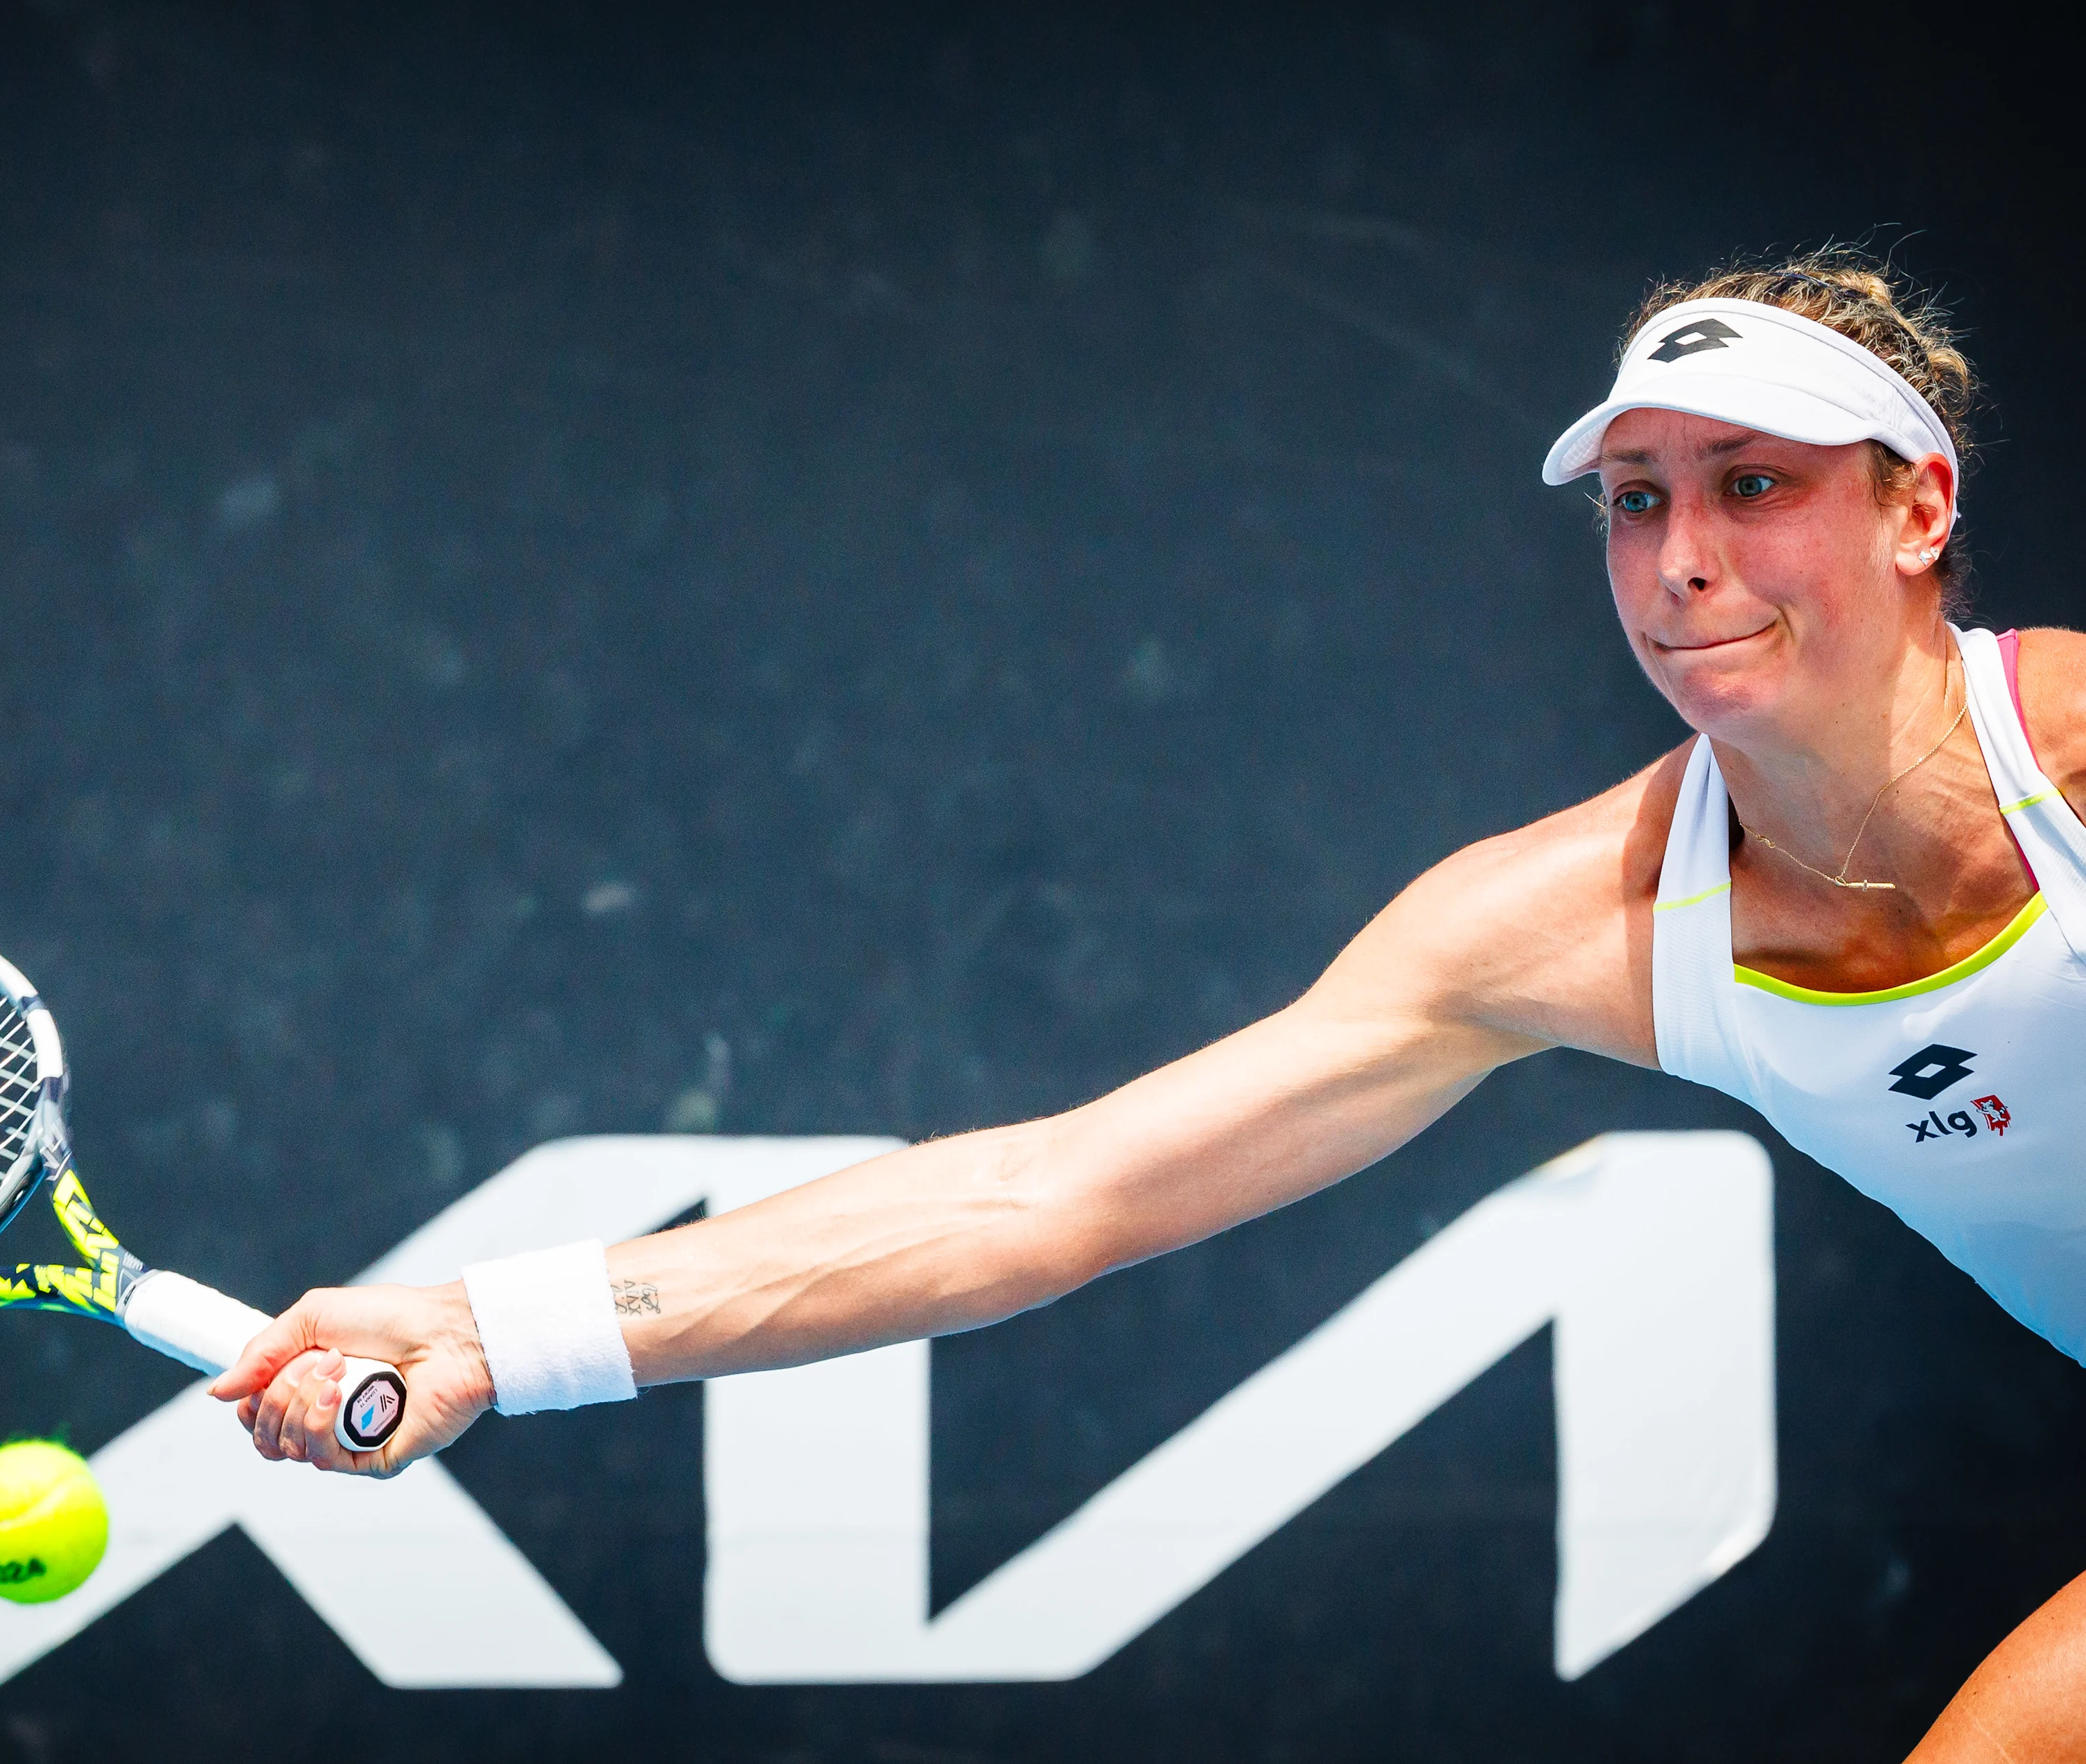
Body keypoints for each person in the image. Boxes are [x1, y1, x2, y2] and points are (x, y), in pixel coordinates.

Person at [211, 250, 2086, 1760]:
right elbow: (1043, 1198)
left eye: (1754, 486)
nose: (1681, 561)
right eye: (1635, 497)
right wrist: (487, 1325)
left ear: (1916, 507)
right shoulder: (1569, 917)